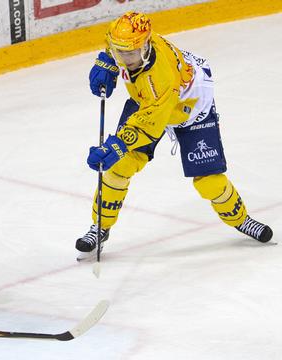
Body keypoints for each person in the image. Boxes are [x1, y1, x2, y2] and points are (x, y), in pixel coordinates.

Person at [78, 11, 273, 259]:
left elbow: (149, 125)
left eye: (129, 53)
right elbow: (116, 43)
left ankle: (241, 219)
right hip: (148, 104)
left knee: (209, 181)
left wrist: (116, 145)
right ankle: (100, 227)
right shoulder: (136, 44)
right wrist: (106, 59)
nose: (124, 59)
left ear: (146, 47)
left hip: (189, 112)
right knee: (120, 167)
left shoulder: (160, 81)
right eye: (120, 52)